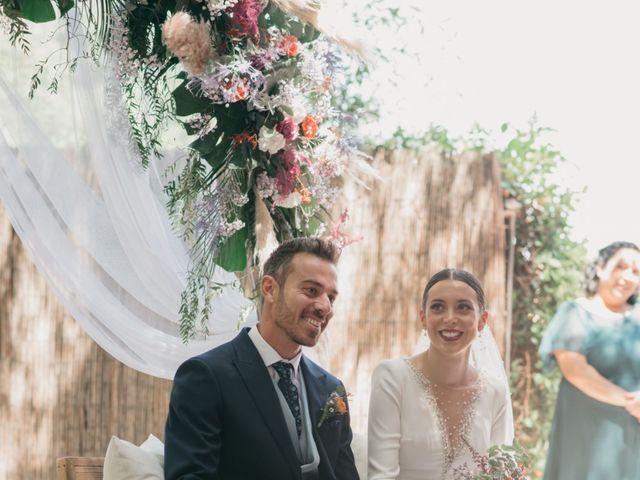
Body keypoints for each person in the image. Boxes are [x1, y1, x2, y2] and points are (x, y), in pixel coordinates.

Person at [164, 237, 360, 480]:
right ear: (270, 289)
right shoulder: (206, 377)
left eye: (331, 298)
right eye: (311, 290)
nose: (325, 307)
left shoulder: (332, 388)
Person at [367, 268, 513, 480]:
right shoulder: (392, 377)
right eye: (438, 307)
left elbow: (500, 474)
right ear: (423, 318)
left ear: (482, 320)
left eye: (463, 307)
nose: (450, 318)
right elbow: (381, 476)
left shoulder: (495, 392)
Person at [539, 241, 640, 480]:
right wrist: (631, 402)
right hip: (585, 438)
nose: (627, 276)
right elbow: (575, 370)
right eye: (620, 266)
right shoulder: (575, 312)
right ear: (600, 268)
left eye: (636, 272)